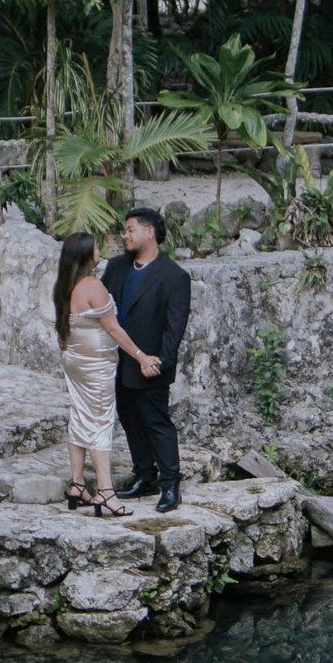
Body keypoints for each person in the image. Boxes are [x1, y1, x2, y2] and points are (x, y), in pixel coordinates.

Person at [53, 228, 162, 517]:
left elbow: (62, 332)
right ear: (88, 256)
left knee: (79, 416)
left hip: (74, 360)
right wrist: (141, 356)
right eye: (96, 248)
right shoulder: (92, 286)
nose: (100, 251)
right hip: (95, 365)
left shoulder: (65, 285)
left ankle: (77, 484)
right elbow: (113, 328)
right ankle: (105, 491)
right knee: (101, 422)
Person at [104, 204, 192, 511]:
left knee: (157, 423)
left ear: (149, 232)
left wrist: (160, 362)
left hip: (151, 365)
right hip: (117, 363)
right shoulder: (115, 268)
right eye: (125, 230)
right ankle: (145, 475)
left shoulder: (174, 276)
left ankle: (171, 485)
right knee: (129, 420)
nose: (124, 235)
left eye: (130, 230)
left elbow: (174, 327)